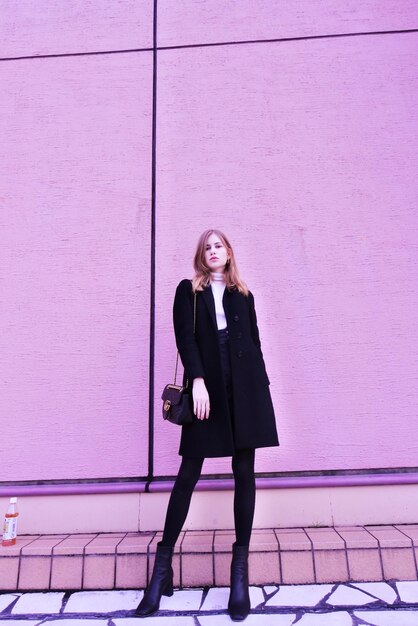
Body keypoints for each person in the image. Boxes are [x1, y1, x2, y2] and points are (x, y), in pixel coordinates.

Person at [136, 229, 279, 621]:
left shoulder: (243, 295)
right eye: (207, 247)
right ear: (202, 256)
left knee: (244, 472)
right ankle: (161, 570)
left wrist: (261, 388)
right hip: (209, 384)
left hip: (246, 387)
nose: (214, 251)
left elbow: (255, 341)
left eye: (219, 245)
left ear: (229, 252)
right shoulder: (189, 291)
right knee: (188, 473)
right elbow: (186, 339)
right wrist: (197, 380)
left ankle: (239, 575)